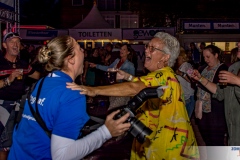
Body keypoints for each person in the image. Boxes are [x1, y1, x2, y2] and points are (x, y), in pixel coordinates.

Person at [67, 32, 199, 160]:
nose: (147, 50)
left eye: (152, 48)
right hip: (156, 142)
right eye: (147, 46)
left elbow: (135, 88)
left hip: (168, 147)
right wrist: (128, 76)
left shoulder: (164, 75)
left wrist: (93, 91)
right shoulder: (162, 75)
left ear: (165, 57)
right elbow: (145, 83)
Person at [7, 35, 130, 160]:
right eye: (79, 48)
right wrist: (106, 132)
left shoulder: (43, 82)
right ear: (71, 59)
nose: (83, 51)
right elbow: (62, 156)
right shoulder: (72, 94)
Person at [190, 42, 240, 146]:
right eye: (204, 57)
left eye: (208, 56)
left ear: (216, 55)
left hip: (216, 112)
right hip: (205, 110)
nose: (206, 59)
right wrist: (197, 80)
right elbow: (218, 92)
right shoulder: (204, 68)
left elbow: (220, 93)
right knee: (209, 142)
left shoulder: (224, 68)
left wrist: (237, 81)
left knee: (216, 143)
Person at [0, 32, 40, 159]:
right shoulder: (0, 63)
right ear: (4, 45)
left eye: (18, 42)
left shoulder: (23, 64)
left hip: (19, 106)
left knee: (14, 141)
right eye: (12, 42)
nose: (16, 45)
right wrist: (8, 80)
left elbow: (38, 76)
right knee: (4, 144)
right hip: (3, 106)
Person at [89, 44, 135, 111]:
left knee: (114, 110)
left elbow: (133, 79)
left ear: (128, 52)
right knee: (113, 109)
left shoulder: (130, 65)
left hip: (123, 91)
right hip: (114, 89)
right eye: (121, 49)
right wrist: (96, 65)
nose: (121, 50)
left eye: (124, 49)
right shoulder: (117, 61)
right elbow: (108, 68)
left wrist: (124, 78)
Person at [175, 48, 195, 119]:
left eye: (178, 57)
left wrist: (181, 74)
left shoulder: (187, 66)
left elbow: (192, 79)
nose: (177, 59)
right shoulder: (181, 67)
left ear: (183, 58)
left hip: (188, 98)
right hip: (185, 98)